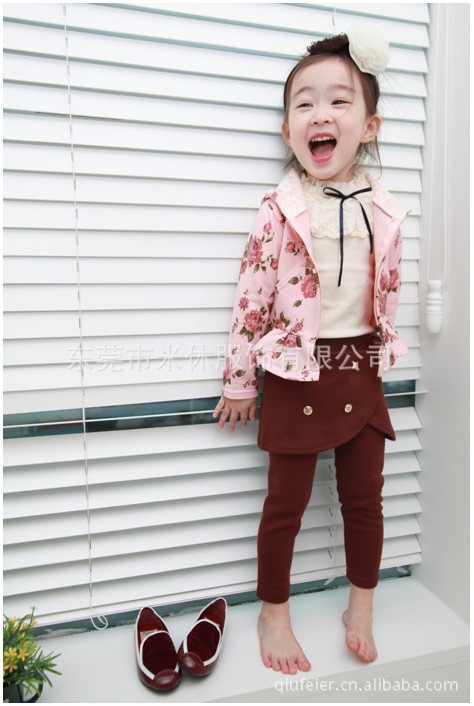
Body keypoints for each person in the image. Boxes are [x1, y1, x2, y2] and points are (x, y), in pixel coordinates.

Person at [213, 26, 408, 675]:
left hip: (360, 367)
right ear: (287, 129)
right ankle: (274, 612)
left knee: (365, 500)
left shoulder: (387, 211)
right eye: (305, 103)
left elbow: (387, 293)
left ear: (370, 126)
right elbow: (252, 295)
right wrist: (241, 381)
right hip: (297, 370)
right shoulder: (281, 208)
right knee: (285, 504)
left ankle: (362, 606)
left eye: (340, 101)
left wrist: (382, 354)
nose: (320, 114)